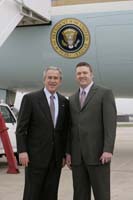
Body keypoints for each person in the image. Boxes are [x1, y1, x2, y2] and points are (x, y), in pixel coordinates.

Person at [16, 66, 69, 200]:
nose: (52, 81)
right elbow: (21, 128)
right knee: (32, 194)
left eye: (55, 78)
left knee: (51, 194)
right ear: (44, 80)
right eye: (49, 78)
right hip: (35, 158)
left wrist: (63, 154)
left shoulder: (64, 102)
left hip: (56, 160)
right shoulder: (31, 99)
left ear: (60, 81)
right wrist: (22, 151)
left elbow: (64, 132)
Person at [66, 62, 117, 200]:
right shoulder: (71, 98)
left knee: (102, 194)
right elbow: (70, 128)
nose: (82, 76)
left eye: (84, 73)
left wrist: (108, 149)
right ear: (76, 76)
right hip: (77, 158)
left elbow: (110, 124)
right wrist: (68, 152)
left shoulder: (104, 93)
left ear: (91, 74)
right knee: (80, 195)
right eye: (79, 73)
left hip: (98, 155)